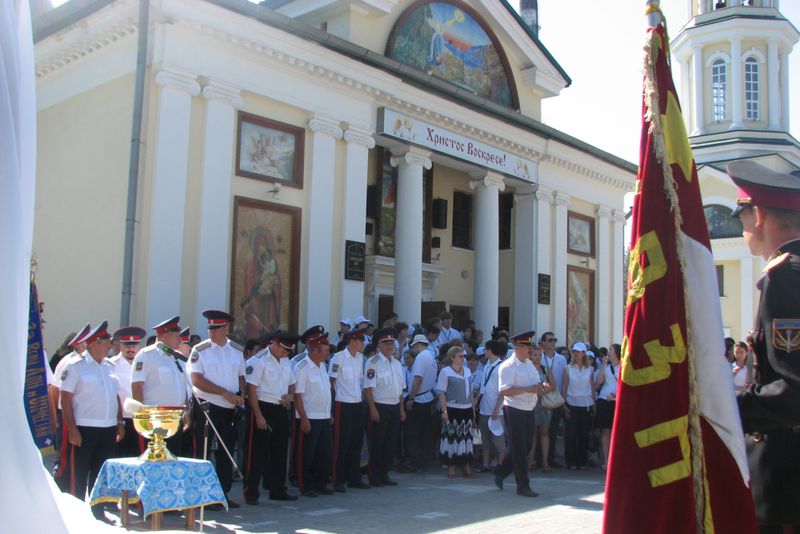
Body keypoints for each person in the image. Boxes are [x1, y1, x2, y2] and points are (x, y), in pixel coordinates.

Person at [727, 160, 800, 531]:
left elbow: (794, 389)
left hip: (787, 482)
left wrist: (728, 409)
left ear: (758, 215)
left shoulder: (785, 279)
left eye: (741, 218)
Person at [57, 321, 124, 523]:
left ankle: (98, 510)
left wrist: (120, 421)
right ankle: (77, 512)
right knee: (79, 471)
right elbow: (65, 398)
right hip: (84, 427)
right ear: (94, 343)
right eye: (106, 341)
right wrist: (73, 429)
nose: (110, 345)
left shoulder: (109, 366)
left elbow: (115, 396)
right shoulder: (75, 366)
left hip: (107, 427)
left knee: (101, 471)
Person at [187, 310, 245, 509]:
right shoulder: (200, 350)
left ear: (226, 328)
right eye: (210, 328)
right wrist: (224, 393)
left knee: (225, 452)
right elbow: (197, 380)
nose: (212, 332)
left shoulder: (236, 350)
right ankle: (201, 495)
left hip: (229, 408)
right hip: (207, 406)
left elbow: (241, 377)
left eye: (217, 328)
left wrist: (241, 396)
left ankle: (222, 494)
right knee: (203, 452)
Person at [242, 331, 300, 504]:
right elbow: (251, 390)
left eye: (288, 352)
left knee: (280, 451)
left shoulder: (285, 360)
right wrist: (258, 416)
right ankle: (251, 492)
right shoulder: (258, 361)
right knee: (257, 453)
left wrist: (290, 396)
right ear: (274, 344)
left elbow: (292, 383)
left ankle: (277, 489)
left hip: (280, 408)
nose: (285, 354)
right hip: (262, 407)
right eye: (283, 350)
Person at [493, 331, 551, 498]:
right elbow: (504, 390)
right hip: (514, 410)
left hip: (529, 408)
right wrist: (528, 389)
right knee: (519, 448)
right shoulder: (507, 367)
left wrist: (541, 386)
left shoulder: (529, 365)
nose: (530, 351)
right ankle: (523, 485)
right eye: (527, 348)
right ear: (518, 348)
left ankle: (501, 471)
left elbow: (536, 383)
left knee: (524, 447)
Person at [131, 316, 190, 458]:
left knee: (173, 459)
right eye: (177, 336)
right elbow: (137, 386)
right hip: (154, 419)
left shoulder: (177, 357)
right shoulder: (147, 355)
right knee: (153, 460)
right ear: (164, 336)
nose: (180, 340)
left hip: (175, 419)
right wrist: (142, 417)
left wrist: (187, 409)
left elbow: (183, 387)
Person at [293, 326, 334, 497]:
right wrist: (303, 418)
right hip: (309, 417)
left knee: (323, 453)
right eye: (325, 351)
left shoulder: (323, 366)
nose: (327, 354)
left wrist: (329, 412)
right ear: (315, 350)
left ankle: (321, 483)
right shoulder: (301, 367)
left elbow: (326, 390)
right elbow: (298, 395)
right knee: (306, 454)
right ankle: (306, 485)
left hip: (324, 417)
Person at [328, 328, 371, 492]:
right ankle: (338, 479)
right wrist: (331, 407)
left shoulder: (361, 359)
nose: (363, 343)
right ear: (352, 340)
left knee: (356, 442)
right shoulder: (338, 358)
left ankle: (354, 477)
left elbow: (362, 383)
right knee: (341, 443)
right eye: (360, 340)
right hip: (342, 404)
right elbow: (331, 383)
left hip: (357, 404)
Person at [364, 327, 406, 487]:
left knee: (391, 442)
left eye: (392, 343)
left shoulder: (396, 363)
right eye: (386, 343)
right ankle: (374, 475)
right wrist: (373, 409)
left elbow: (401, 388)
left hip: (394, 406)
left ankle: (384, 473)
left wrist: (401, 409)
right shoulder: (372, 362)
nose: (390, 346)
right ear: (379, 345)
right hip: (379, 406)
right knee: (378, 442)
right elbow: (368, 389)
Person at [401, 334, 437, 473]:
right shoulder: (431, 357)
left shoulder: (421, 358)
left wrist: (411, 398)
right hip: (427, 398)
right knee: (424, 432)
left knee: (411, 432)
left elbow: (417, 379)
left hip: (418, 399)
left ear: (417, 345)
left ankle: (413, 461)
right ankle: (423, 460)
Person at [437, 345, 475, 478]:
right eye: (460, 356)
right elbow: (441, 393)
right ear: (452, 357)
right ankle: (452, 467)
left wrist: (474, 411)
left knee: (466, 437)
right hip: (452, 409)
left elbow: (470, 392)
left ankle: (466, 465)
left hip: (467, 408)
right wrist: (444, 412)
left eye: (463, 356)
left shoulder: (468, 371)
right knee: (452, 437)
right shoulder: (446, 371)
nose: (463, 358)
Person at [108, 326, 146, 457]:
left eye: (134, 345)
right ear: (120, 345)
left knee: (139, 456)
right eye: (127, 345)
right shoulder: (111, 365)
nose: (131, 349)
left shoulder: (146, 364)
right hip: (120, 418)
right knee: (119, 455)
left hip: (141, 418)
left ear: (139, 346)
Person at [561, 342, 595, 470]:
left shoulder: (590, 369)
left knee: (583, 434)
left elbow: (591, 387)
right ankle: (571, 461)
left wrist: (594, 404)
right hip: (571, 404)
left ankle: (582, 460)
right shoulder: (568, 368)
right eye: (574, 351)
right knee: (570, 434)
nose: (575, 354)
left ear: (583, 354)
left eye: (578, 351)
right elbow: (564, 387)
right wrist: (564, 406)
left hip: (586, 405)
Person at [477, 339, 506, 472]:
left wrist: (496, 409)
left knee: (498, 439)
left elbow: (503, 392)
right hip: (484, 408)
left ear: (490, 350)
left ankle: (500, 465)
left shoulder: (501, 367)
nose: (484, 352)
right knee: (485, 439)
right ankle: (485, 464)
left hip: (496, 411)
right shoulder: (487, 365)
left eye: (485, 349)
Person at [539, 332, 567, 468]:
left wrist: (563, 399)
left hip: (556, 398)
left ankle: (551, 457)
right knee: (540, 430)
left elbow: (564, 380)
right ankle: (539, 458)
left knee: (553, 430)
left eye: (554, 340)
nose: (553, 342)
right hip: (541, 398)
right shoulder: (539, 357)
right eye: (550, 340)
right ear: (543, 343)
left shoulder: (561, 359)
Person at [529, 345, 556, 472]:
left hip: (544, 403)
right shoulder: (527, 369)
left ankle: (545, 461)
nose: (538, 357)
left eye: (540, 355)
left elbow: (553, 385)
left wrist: (542, 391)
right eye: (535, 355)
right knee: (532, 433)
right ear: (530, 355)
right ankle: (530, 460)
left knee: (545, 432)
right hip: (531, 404)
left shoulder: (545, 369)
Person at [594, 342, 620, 470]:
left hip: (617, 400)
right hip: (604, 400)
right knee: (605, 430)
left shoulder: (623, 367)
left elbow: (623, 383)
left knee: (617, 430)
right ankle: (606, 459)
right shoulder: (606, 366)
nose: (609, 352)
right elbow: (599, 382)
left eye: (611, 350)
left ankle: (616, 458)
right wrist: (603, 365)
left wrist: (615, 394)